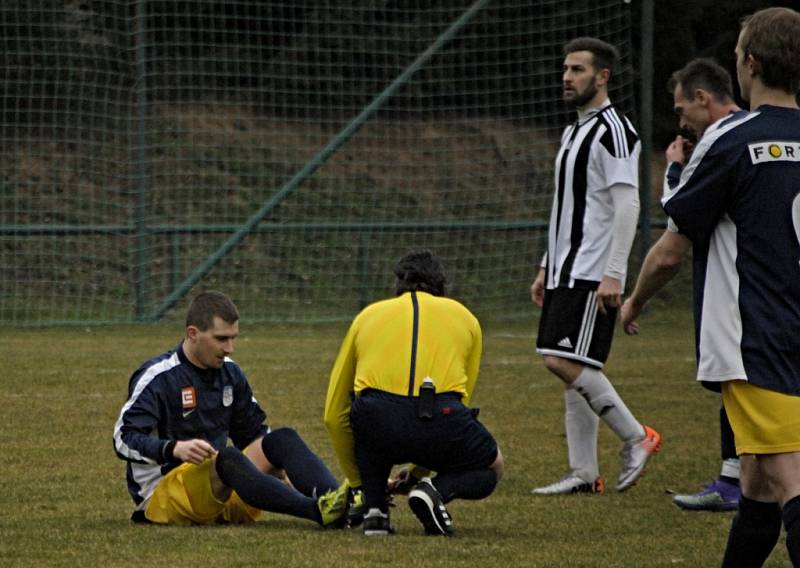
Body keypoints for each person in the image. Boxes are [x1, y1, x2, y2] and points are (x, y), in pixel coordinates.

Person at [664, 7, 800, 568]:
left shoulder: (735, 138)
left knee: (790, 482)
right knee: (757, 485)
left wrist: (636, 300)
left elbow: (673, 245)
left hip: (762, 338)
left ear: (748, 63)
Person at [530, 37, 661, 496]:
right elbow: (567, 204)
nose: (567, 77)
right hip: (567, 268)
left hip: (592, 270)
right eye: (565, 69)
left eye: (578, 70)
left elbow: (628, 206)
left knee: (558, 358)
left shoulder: (614, 130)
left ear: (602, 77)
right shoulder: (573, 131)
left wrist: (615, 273)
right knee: (573, 365)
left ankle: (637, 436)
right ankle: (584, 473)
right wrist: (548, 264)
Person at [620, 58, 745, 512]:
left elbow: (677, 225)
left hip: (742, 293)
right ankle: (735, 478)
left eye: (680, 110)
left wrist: (674, 168)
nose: (681, 122)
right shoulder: (776, 132)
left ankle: (740, 486)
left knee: (742, 384)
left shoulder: (723, 139)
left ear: (702, 98)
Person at [113, 290, 349, 527]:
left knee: (282, 439)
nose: (230, 348)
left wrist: (282, 471)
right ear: (193, 334)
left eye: (233, 338)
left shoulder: (230, 372)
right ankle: (318, 511)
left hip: (223, 487)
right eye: (221, 339)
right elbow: (123, 439)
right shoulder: (159, 377)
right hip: (168, 496)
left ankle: (345, 502)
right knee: (227, 457)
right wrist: (173, 448)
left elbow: (252, 434)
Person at [323, 250, 504, 536]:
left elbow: (334, 414)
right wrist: (421, 472)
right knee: (492, 467)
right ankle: (435, 491)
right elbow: (461, 398)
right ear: (442, 286)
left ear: (397, 286)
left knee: (367, 410)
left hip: (377, 420)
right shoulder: (467, 319)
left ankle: (375, 509)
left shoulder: (367, 316)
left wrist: (358, 483)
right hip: (439, 417)